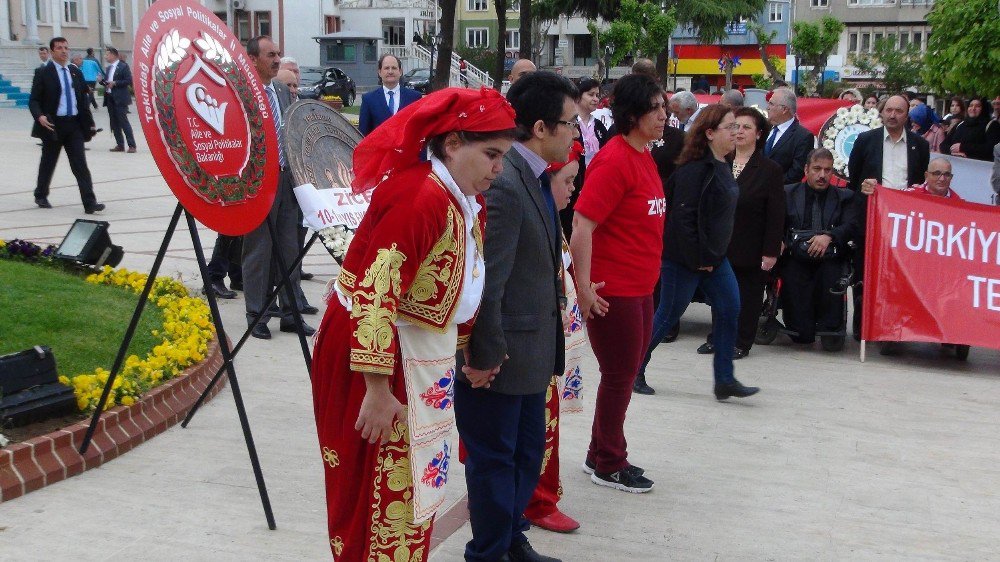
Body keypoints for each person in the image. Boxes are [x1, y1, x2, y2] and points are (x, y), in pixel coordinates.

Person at [310, 86, 516, 561]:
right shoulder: (421, 198)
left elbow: (454, 288)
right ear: (451, 144)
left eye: (502, 156)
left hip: (412, 352)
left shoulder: (455, 196)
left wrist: (467, 348)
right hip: (377, 357)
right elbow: (375, 294)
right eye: (490, 154)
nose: (498, 169)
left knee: (409, 487)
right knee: (381, 494)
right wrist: (378, 392)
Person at [456, 71, 576, 562]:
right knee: (495, 461)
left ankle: (511, 540)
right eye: (570, 123)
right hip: (500, 358)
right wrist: (484, 354)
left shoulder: (530, 176)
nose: (576, 132)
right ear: (542, 127)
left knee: (526, 456)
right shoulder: (505, 183)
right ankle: (488, 552)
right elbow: (490, 279)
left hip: (529, 351)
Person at [570, 73, 667, 492]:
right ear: (632, 114)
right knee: (619, 375)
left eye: (664, 107)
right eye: (656, 108)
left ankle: (600, 451)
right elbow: (581, 226)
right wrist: (585, 287)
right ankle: (610, 460)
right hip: (616, 291)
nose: (664, 115)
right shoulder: (614, 160)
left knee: (624, 374)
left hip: (642, 286)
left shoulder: (643, 154)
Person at [634, 105, 759, 401]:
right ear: (710, 133)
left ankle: (725, 379)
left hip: (715, 258)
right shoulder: (694, 170)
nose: (736, 132)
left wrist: (712, 257)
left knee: (730, 308)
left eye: (739, 127)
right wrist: (698, 259)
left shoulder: (723, 165)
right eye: (730, 127)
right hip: (685, 258)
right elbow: (682, 219)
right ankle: (633, 370)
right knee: (666, 316)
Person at [525, 141, 587, 534]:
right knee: (536, 427)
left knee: (543, 423)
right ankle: (536, 501)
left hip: (546, 338)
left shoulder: (550, 219)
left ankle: (536, 497)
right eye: (567, 181)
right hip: (529, 341)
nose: (572, 191)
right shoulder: (531, 213)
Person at [696, 106, 785, 360]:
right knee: (718, 294)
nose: (740, 131)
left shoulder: (769, 169)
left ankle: (741, 341)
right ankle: (717, 337)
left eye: (747, 127)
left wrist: (770, 251)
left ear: (759, 134)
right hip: (720, 244)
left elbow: (776, 214)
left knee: (747, 296)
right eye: (736, 126)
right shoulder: (719, 162)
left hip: (751, 245)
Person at [242, 36, 314, 340]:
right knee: (259, 250)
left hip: (287, 180)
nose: (276, 59)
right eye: (270, 54)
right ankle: (257, 314)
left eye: (278, 54)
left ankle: (289, 312)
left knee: (290, 249)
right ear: (254, 59)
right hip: (260, 182)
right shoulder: (244, 95)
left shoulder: (283, 92)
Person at [848, 94, 930, 340]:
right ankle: (862, 323)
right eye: (889, 110)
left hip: (905, 222)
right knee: (866, 272)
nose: (893, 115)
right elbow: (854, 180)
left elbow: (919, 184)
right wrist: (865, 187)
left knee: (900, 273)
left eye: (899, 111)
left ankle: (895, 325)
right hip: (872, 218)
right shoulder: (865, 141)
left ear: (907, 116)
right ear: (881, 113)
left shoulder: (920, 145)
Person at [781, 148, 859, 347]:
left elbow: (851, 225)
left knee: (832, 276)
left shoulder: (845, 197)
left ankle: (830, 327)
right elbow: (777, 223)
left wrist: (829, 236)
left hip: (830, 256)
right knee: (801, 336)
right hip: (796, 255)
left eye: (827, 170)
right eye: (817, 169)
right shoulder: (788, 193)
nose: (822, 175)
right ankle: (799, 328)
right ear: (806, 169)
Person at [30, 37, 104, 213]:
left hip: (74, 125)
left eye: (66, 47)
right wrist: (39, 116)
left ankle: (89, 202)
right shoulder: (43, 72)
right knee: (48, 162)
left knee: (80, 164)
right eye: (59, 48)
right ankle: (41, 194)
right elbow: (34, 100)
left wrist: (90, 124)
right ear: (52, 51)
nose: (64, 51)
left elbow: (82, 100)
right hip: (53, 125)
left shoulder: (75, 72)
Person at [561, 77, 609, 235]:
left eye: (597, 95)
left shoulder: (600, 126)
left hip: (595, 184)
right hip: (573, 185)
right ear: (578, 96)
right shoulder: (568, 123)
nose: (596, 99)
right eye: (591, 94)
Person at [359, 54, 421, 135]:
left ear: (400, 72)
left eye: (394, 68)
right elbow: (362, 134)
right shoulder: (368, 99)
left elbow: (420, 131)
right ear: (380, 72)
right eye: (386, 68)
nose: (390, 72)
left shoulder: (414, 98)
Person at [764, 87, 815, 184]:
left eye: (771, 103)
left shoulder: (803, 137)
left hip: (782, 193)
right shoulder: (764, 129)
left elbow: (796, 172)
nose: (767, 107)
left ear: (784, 109)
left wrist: (769, 185)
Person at [940, 97, 1000, 161]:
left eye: (977, 106)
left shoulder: (991, 125)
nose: (973, 108)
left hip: (981, 167)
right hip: (957, 165)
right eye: (970, 106)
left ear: (983, 109)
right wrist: (953, 152)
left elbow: (991, 148)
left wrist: (963, 147)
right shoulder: (960, 125)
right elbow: (943, 145)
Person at [102, 47, 136, 153]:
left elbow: (128, 80)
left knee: (123, 122)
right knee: (114, 123)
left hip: (120, 98)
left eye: (107, 54)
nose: (106, 57)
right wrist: (101, 81)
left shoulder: (123, 66)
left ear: (113, 55)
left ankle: (131, 145)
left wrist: (115, 83)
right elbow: (108, 83)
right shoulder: (108, 68)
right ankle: (120, 144)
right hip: (110, 98)